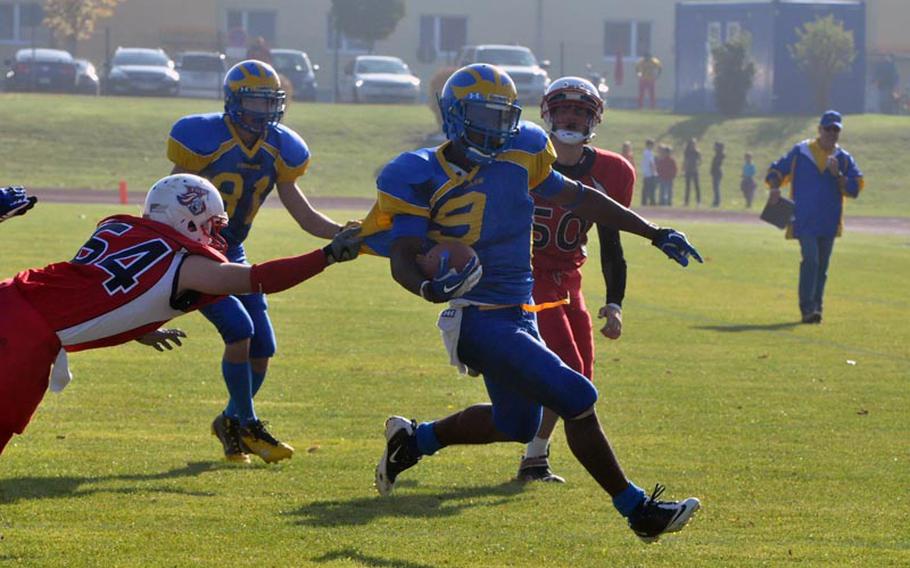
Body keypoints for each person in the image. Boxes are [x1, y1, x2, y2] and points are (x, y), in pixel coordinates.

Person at [361, 63, 702, 543]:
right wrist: (427, 287)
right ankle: (637, 509)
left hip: (520, 311)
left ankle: (413, 439)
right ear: (455, 115)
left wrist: (654, 231)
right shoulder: (416, 174)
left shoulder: (523, 151)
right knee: (577, 397)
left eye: (502, 116)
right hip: (477, 317)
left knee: (516, 423)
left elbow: (579, 198)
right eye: (481, 115)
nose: (493, 127)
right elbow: (403, 255)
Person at [0, 174, 360, 457]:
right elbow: (258, 279)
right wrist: (326, 256)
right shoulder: (187, 265)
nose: (214, 233)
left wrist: (138, 327)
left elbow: (91, 286)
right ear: (187, 217)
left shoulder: (118, 228)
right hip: (24, 337)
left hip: (11, 296)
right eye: (210, 224)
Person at [167, 59, 348, 464]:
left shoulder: (279, 148)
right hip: (193, 252)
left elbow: (302, 212)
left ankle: (230, 422)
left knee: (262, 346)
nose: (263, 113)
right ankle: (248, 422)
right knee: (239, 329)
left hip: (232, 251)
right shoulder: (204, 138)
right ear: (234, 101)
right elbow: (168, 197)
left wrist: (339, 232)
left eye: (270, 104)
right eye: (255, 102)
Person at [513, 76, 635, 483]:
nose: (571, 117)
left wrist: (615, 302)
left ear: (594, 119)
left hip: (569, 281)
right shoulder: (522, 160)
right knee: (568, 370)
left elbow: (612, 243)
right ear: (548, 113)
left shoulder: (613, 171)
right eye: (564, 109)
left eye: (581, 111)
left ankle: (534, 458)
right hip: (525, 277)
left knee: (580, 378)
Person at [766, 110, 863, 324]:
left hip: (829, 221)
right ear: (819, 130)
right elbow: (776, 170)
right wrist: (774, 188)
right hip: (804, 219)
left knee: (822, 266)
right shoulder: (801, 151)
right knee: (811, 259)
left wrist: (838, 174)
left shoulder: (844, 159)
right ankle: (807, 307)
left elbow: (855, 188)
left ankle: (816, 307)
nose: (831, 133)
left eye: (836, 130)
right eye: (828, 129)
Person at [682, 139, 701, 207]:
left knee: (697, 187)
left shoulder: (697, 152)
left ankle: (698, 202)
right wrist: (683, 169)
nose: (693, 145)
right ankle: (686, 202)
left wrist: (697, 164)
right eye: (692, 144)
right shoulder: (687, 152)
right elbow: (685, 161)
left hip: (695, 171)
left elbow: (699, 161)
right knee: (688, 187)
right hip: (688, 171)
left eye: (694, 144)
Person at [640, 139, 658, 206]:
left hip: (646, 173)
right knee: (651, 188)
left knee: (646, 188)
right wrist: (654, 172)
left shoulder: (645, 152)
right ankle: (652, 201)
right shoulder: (649, 153)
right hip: (650, 173)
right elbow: (651, 163)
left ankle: (644, 201)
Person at [710, 141, 725, 208]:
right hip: (715, 172)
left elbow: (717, 163)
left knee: (716, 187)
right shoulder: (717, 154)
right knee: (715, 187)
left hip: (717, 172)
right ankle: (716, 200)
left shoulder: (720, 155)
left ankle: (717, 201)